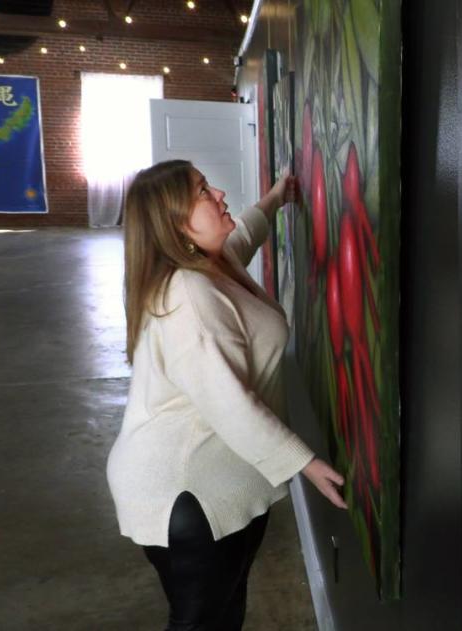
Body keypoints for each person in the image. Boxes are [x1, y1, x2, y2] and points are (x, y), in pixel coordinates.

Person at [106, 160, 346, 630]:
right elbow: (230, 404)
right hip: (185, 491)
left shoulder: (211, 262)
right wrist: (306, 464)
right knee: (203, 621)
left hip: (210, 480)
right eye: (201, 191)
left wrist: (276, 198)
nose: (218, 192)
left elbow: (242, 238)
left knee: (225, 611)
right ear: (177, 224)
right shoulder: (189, 295)